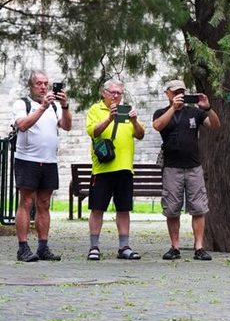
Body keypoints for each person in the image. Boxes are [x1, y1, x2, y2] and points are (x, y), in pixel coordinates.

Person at [152, 80, 220, 261]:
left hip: (193, 167)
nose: (179, 95)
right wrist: (173, 108)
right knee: (172, 209)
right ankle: (174, 247)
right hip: (172, 168)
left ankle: (199, 247)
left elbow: (214, 126)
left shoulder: (195, 112)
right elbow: (158, 126)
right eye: (175, 92)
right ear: (167, 93)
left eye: (182, 92)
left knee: (198, 208)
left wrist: (208, 108)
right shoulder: (161, 113)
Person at [12, 70, 72, 262]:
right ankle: (22, 248)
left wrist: (64, 106)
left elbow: (67, 126)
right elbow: (22, 125)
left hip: (49, 161)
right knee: (26, 202)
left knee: (44, 204)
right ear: (31, 85)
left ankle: (43, 247)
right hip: (27, 159)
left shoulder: (54, 107)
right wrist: (42, 107)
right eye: (39, 83)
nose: (44, 87)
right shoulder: (23, 104)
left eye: (46, 83)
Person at [85, 79, 145, 260]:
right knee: (97, 208)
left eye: (119, 93)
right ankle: (94, 247)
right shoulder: (96, 109)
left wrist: (134, 121)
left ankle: (124, 247)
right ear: (104, 93)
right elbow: (93, 131)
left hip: (125, 168)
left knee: (124, 208)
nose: (116, 96)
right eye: (112, 92)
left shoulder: (127, 111)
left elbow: (141, 135)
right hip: (102, 169)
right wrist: (109, 119)